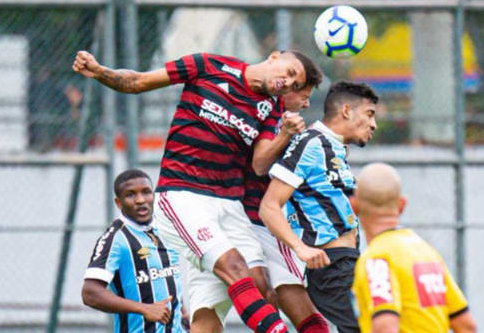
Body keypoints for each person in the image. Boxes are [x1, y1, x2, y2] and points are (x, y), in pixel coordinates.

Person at [73, 49, 326, 333]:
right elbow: (137, 82)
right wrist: (99, 71)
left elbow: (258, 164)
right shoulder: (208, 65)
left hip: (230, 205)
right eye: (289, 73)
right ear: (274, 57)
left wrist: (284, 134)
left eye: (294, 85)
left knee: (258, 290)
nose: (286, 83)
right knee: (234, 267)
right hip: (184, 195)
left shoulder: (271, 107)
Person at [260, 81, 379, 333]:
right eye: (369, 114)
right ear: (346, 110)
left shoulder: (335, 148)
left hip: (350, 262)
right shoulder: (311, 143)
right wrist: (300, 248)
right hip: (332, 268)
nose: (374, 124)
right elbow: (269, 206)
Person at [350, 163, 477, 333]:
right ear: (402, 205)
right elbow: (466, 325)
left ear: (354, 206)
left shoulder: (377, 259)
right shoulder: (426, 252)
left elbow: (385, 327)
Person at [244, 85, 330, 333]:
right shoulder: (261, 115)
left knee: (297, 309)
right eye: (304, 96)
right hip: (241, 220)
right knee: (261, 303)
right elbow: (260, 166)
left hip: (266, 225)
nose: (306, 104)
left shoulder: (295, 129)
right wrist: (285, 134)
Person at [82, 169, 185, 333]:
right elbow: (90, 293)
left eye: (146, 192)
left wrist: (183, 312)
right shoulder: (115, 239)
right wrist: (144, 309)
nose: (140, 200)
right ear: (119, 202)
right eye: (130, 195)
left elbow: (166, 280)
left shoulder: (166, 229)